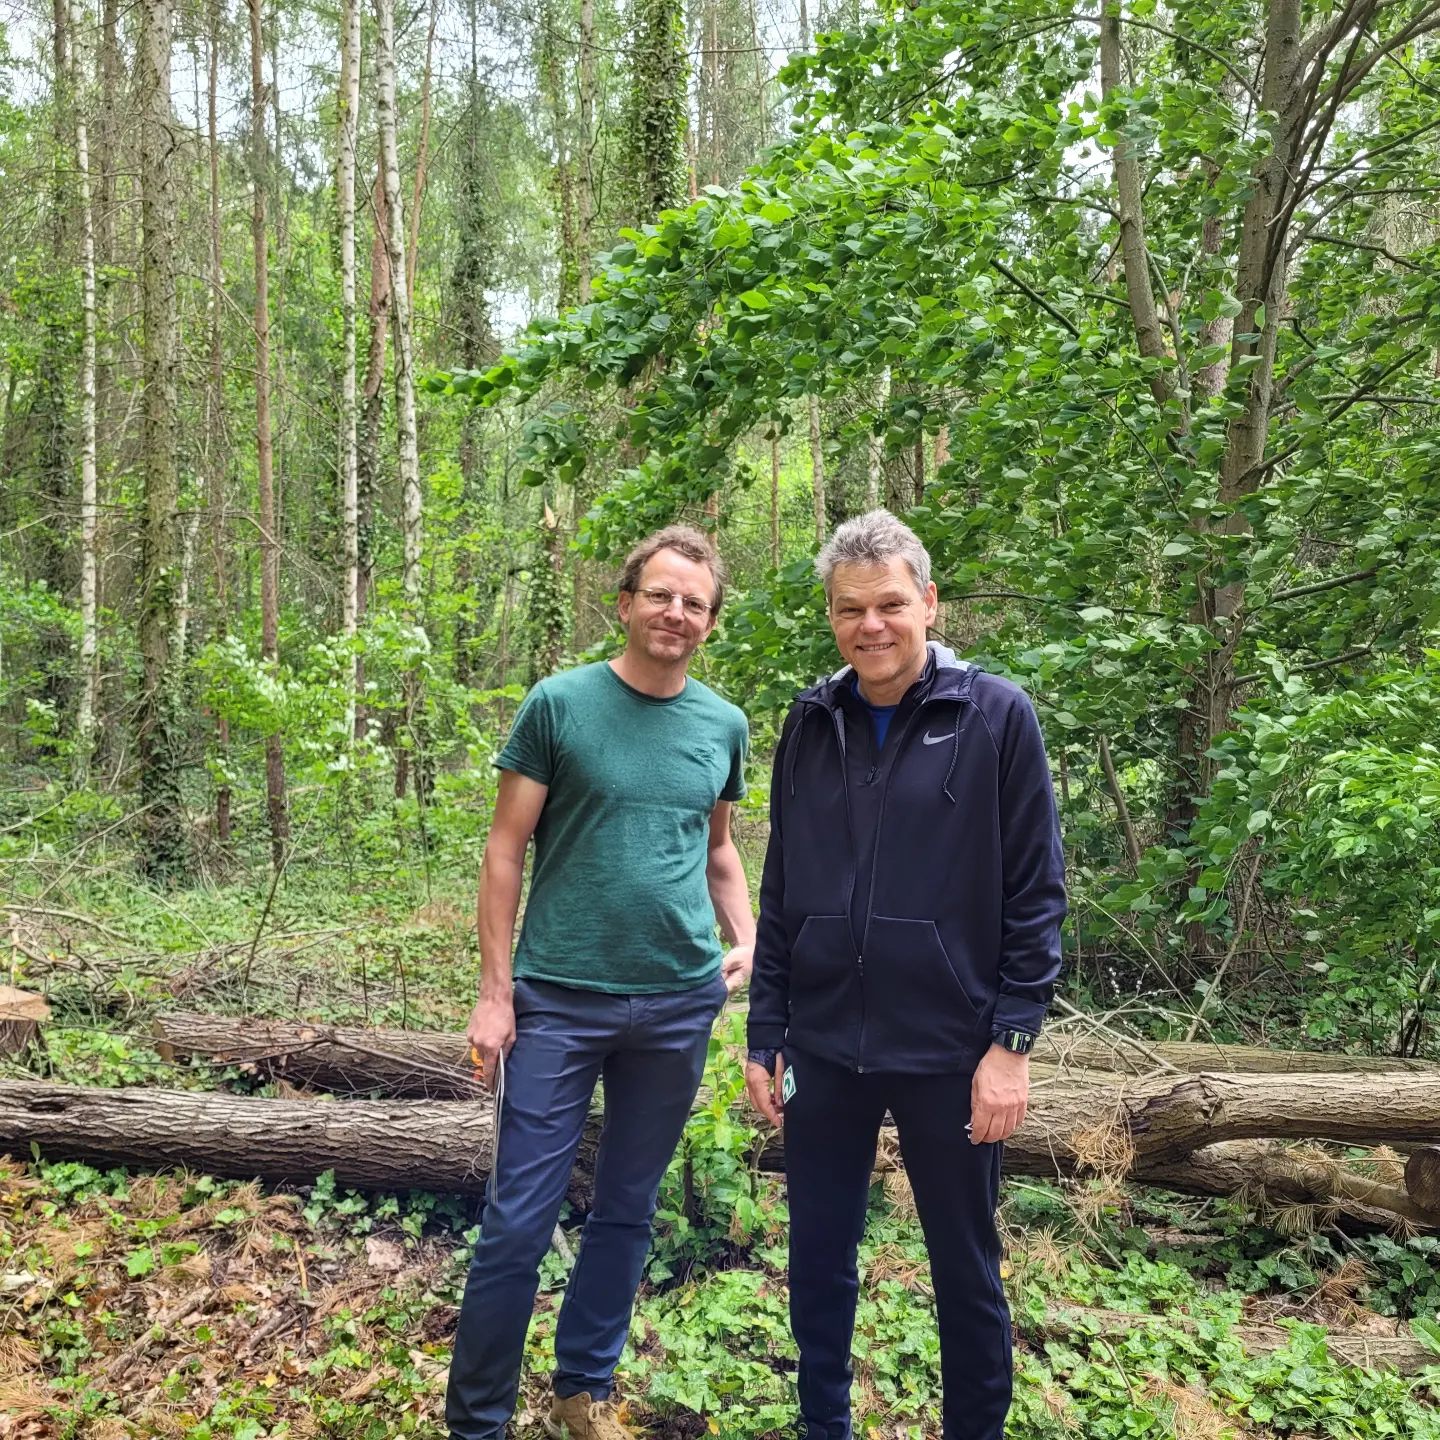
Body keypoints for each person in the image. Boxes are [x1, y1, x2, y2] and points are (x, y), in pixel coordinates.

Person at [745, 510, 1066, 1440]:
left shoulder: (995, 714)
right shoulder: (812, 722)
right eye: (851, 609)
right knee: (818, 1258)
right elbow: (784, 886)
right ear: (833, 616)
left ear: (928, 602)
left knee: (964, 1264)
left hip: (948, 1047)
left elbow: (1036, 889)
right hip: (824, 1045)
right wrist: (767, 1030)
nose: (871, 626)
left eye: (890, 603)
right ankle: (824, 1426)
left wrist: (1011, 1044)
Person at [447, 525, 754, 1440]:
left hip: (678, 1001)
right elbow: (505, 851)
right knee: (516, 1222)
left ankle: (583, 1392)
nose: (676, 612)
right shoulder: (560, 705)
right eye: (660, 595)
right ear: (624, 604)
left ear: (708, 623)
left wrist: (753, 938)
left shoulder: (722, 725)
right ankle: (478, 1423)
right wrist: (495, 992)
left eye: (694, 603)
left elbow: (720, 850)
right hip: (559, 997)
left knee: (627, 1210)